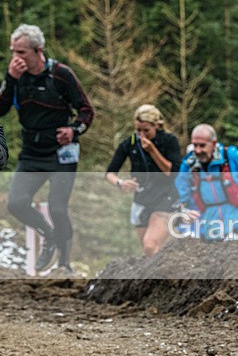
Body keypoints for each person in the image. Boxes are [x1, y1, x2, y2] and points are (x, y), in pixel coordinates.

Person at [0, 24, 94, 272]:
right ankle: (48, 235)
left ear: (38, 50)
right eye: (13, 52)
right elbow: (1, 109)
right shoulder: (15, 77)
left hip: (61, 154)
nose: (16, 58)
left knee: (58, 209)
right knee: (16, 203)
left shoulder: (61, 75)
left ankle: (64, 264)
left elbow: (87, 111)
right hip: (32, 153)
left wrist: (74, 130)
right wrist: (10, 79)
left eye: (21, 52)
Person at [105, 104, 181, 256]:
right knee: (150, 253)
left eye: (146, 130)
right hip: (142, 198)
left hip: (165, 197)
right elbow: (109, 173)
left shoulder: (169, 141)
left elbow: (171, 172)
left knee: (150, 245)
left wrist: (152, 150)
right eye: (138, 130)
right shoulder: (130, 143)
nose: (142, 135)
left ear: (157, 126)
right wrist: (121, 183)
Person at [175, 123, 238, 240]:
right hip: (209, 225)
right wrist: (184, 210)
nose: (197, 150)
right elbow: (181, 194)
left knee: (233, 243)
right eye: (195, 145)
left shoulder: (230, 156)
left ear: (213, 144)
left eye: (202, 146)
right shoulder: (189, 164)